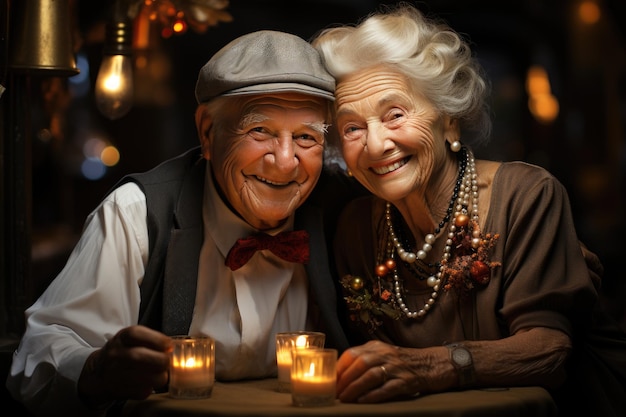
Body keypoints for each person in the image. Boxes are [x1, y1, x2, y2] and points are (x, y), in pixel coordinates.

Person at [6, 30, 361, 416]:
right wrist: (94, 369)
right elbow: (36, 357)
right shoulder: (136, 212)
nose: (285, 160)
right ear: (208, 132)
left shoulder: (343, 213)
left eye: (307, 137)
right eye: (260, 131)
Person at [312, 3, 626, 416]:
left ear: (450, 122)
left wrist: (427, 367)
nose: (374, 145)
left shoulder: (526, 195)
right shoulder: (354, 227)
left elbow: (550, 350)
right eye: (352, 128)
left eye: (395, 115)